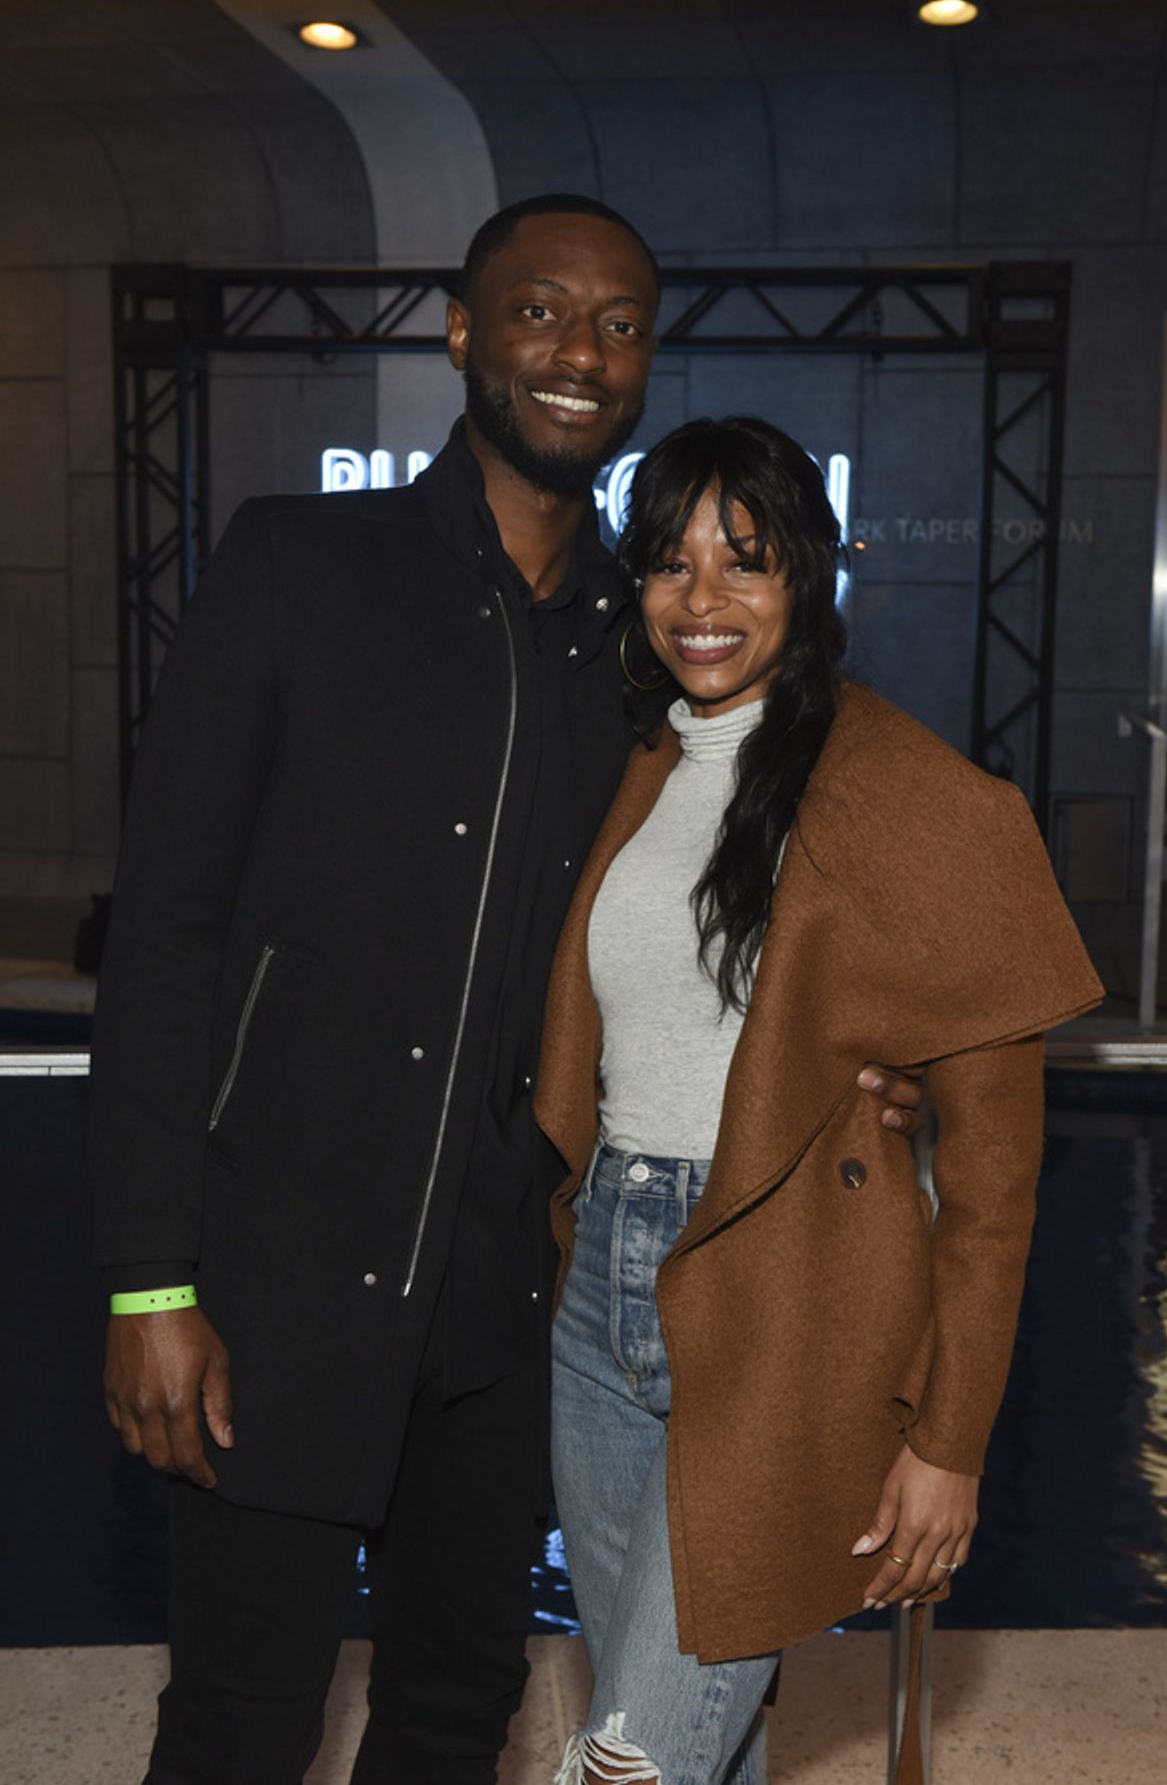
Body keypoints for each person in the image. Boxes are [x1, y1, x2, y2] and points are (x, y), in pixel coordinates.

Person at [90, 200, 921, 1785]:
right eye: (540, 311)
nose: (579, 352)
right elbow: (167, 937)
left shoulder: (639, 645)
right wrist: (146, 1277)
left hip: (499, 1308)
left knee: (458, 1706)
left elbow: (766, 881)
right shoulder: (293, 566)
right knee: (236, 1719)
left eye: (617, 326)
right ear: (463, 332)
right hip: (270, 1280)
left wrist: (875, 1057)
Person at [534, 417, 1103, 1785]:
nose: (704, 601)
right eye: (670, 565)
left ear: (810, 576)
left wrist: (946, 1442)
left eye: (746, 560)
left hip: (795, 1305)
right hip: (603, 1288)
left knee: (631, 1762)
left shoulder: (919, 802)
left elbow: (993, 1189)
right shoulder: (643, 769)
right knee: (687, 1737)